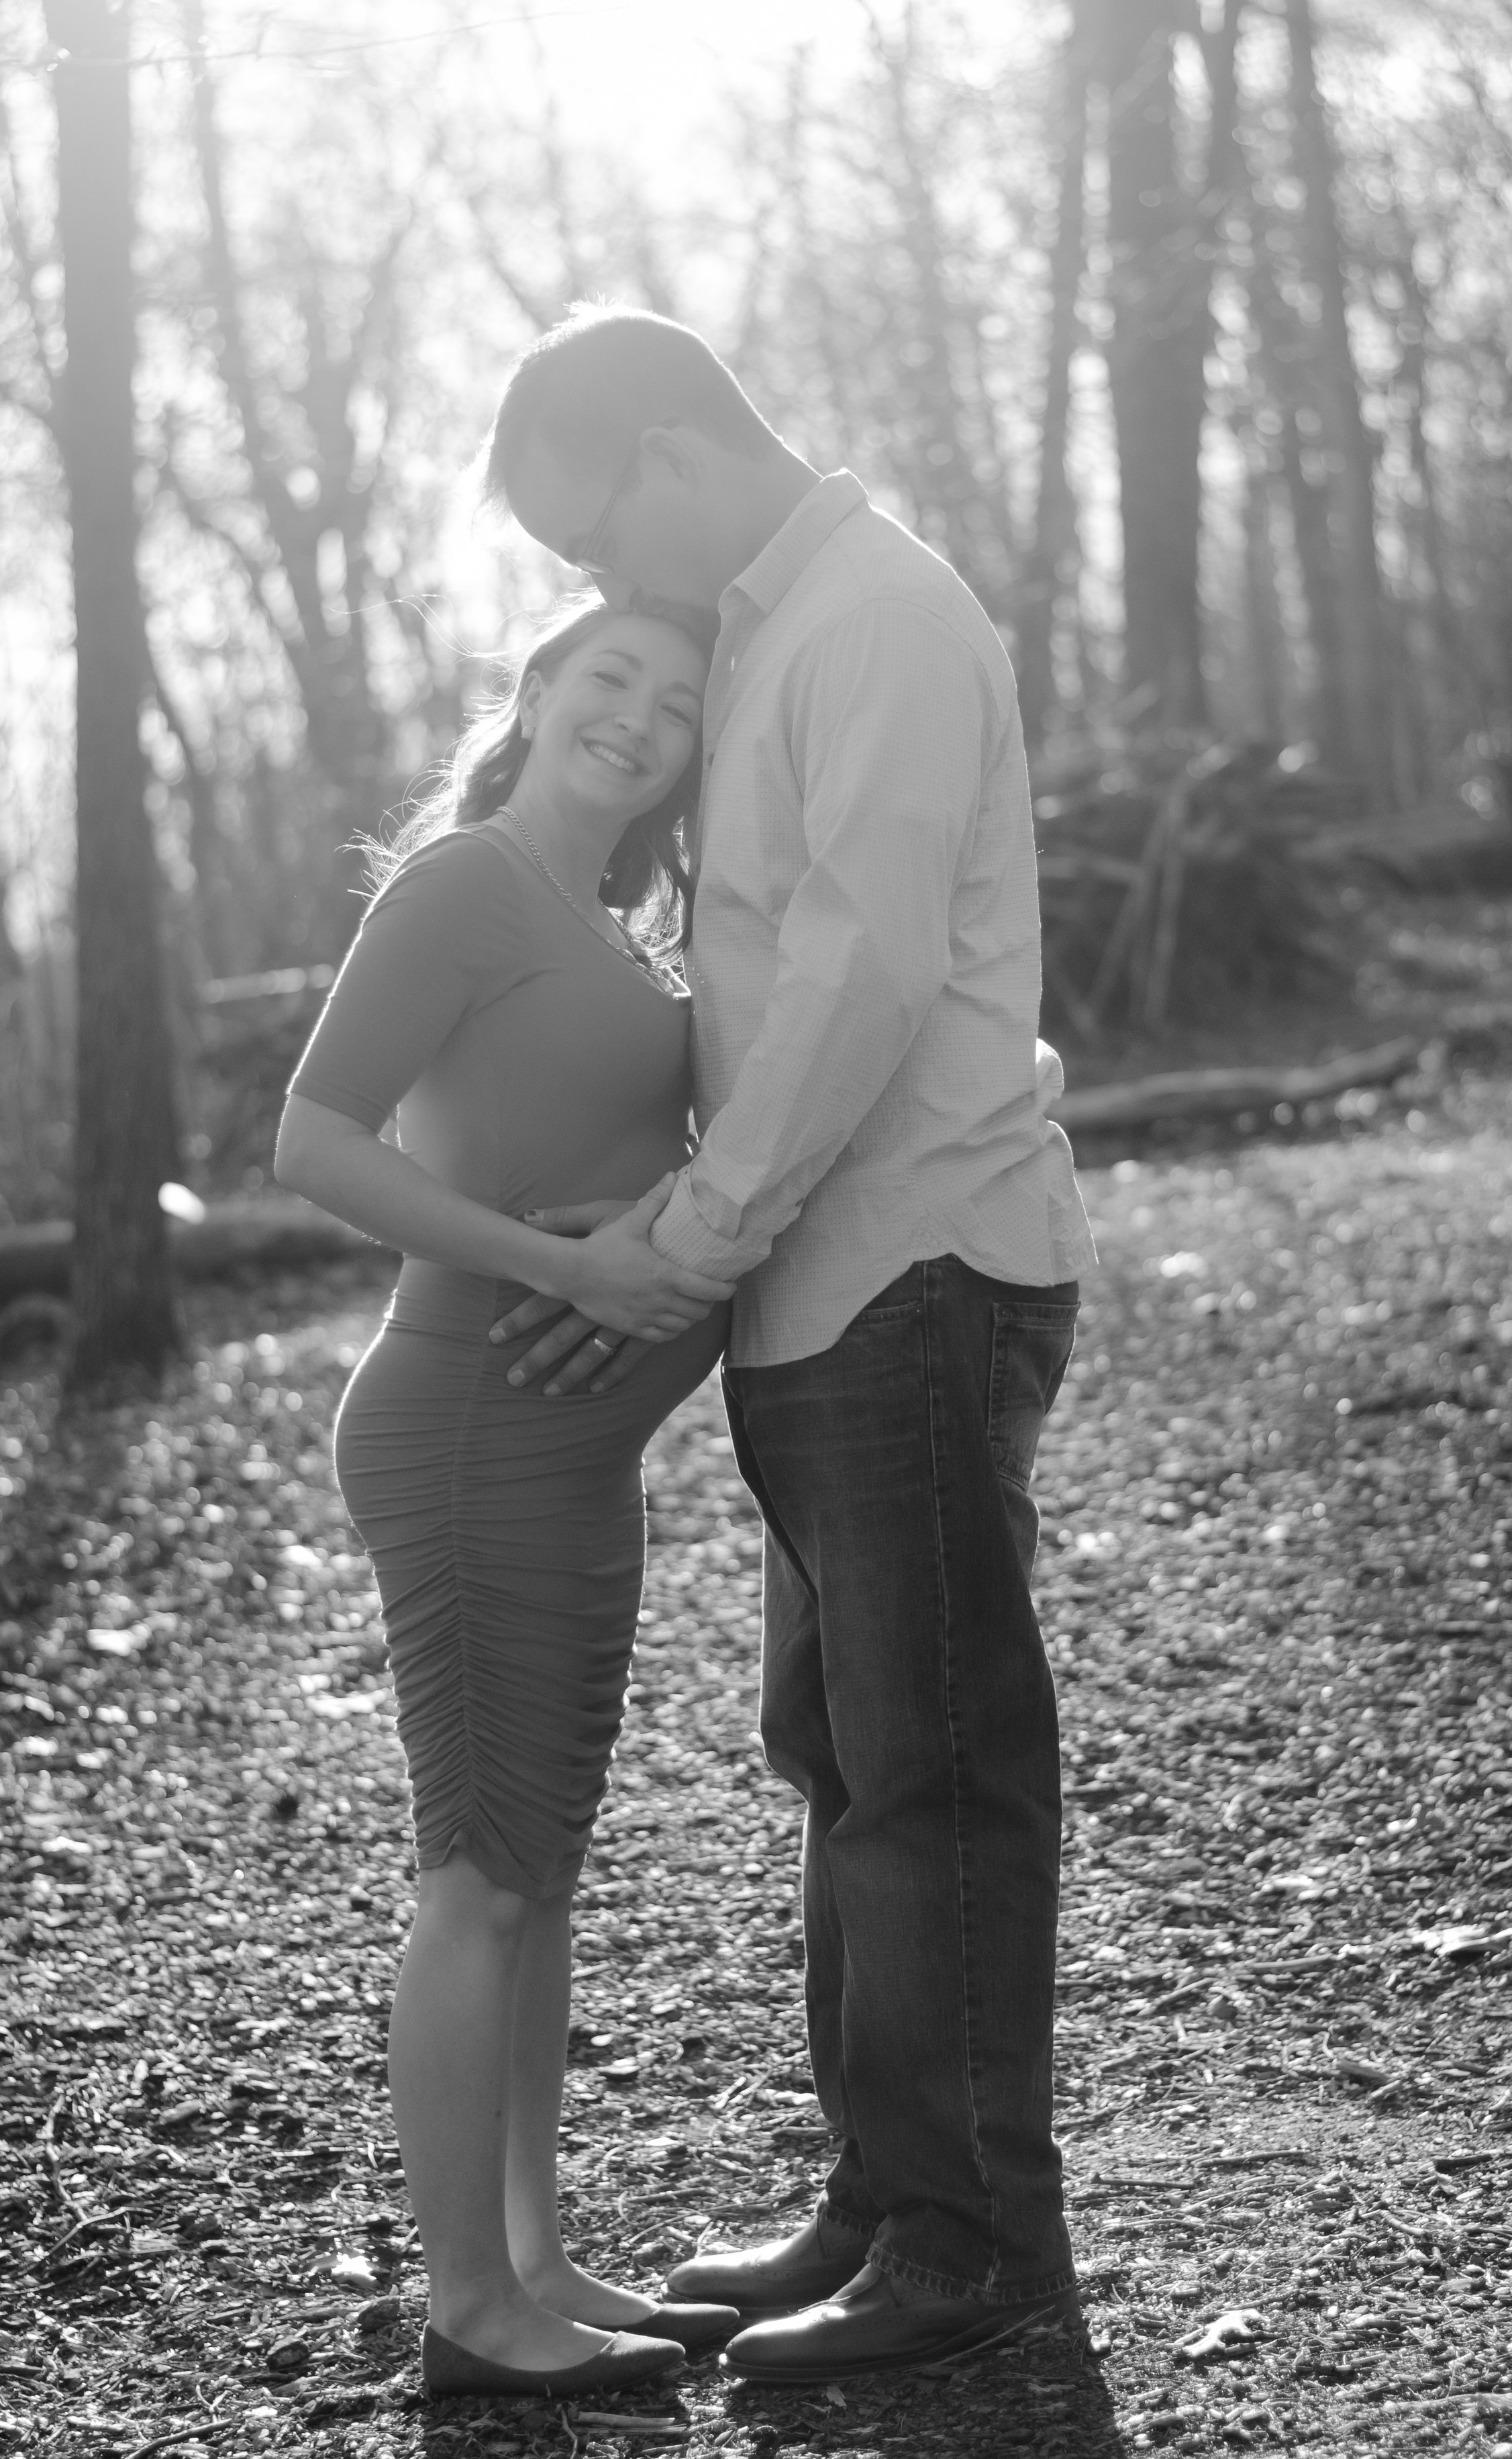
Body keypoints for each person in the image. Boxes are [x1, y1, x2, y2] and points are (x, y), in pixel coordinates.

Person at [480, 307, 1099, 2383]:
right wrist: (677, 1205)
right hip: (824, 1279)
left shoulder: (875, 618)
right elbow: (764, 979)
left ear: (668, 451)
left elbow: (860, 970)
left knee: (931, 1774)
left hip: (909, 1264)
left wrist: (694, 1231)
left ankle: (971, 2242)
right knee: (843, 1757)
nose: (600, 584)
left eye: (592, 537)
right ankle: (882, 2198)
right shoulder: (774, 636)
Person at [273, 597, 744, 2399]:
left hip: (569, 1452)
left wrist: (652, 1227)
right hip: (468, 1423)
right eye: (609, 677)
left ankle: (536, 2262)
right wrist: (557, 1268)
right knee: (476, 1878)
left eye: (677, 703)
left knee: (533, 1875)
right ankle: (469, 2307)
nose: (638, 716)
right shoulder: (467, 884)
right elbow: (314, 1138)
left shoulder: (614, 927)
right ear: (538, 694)